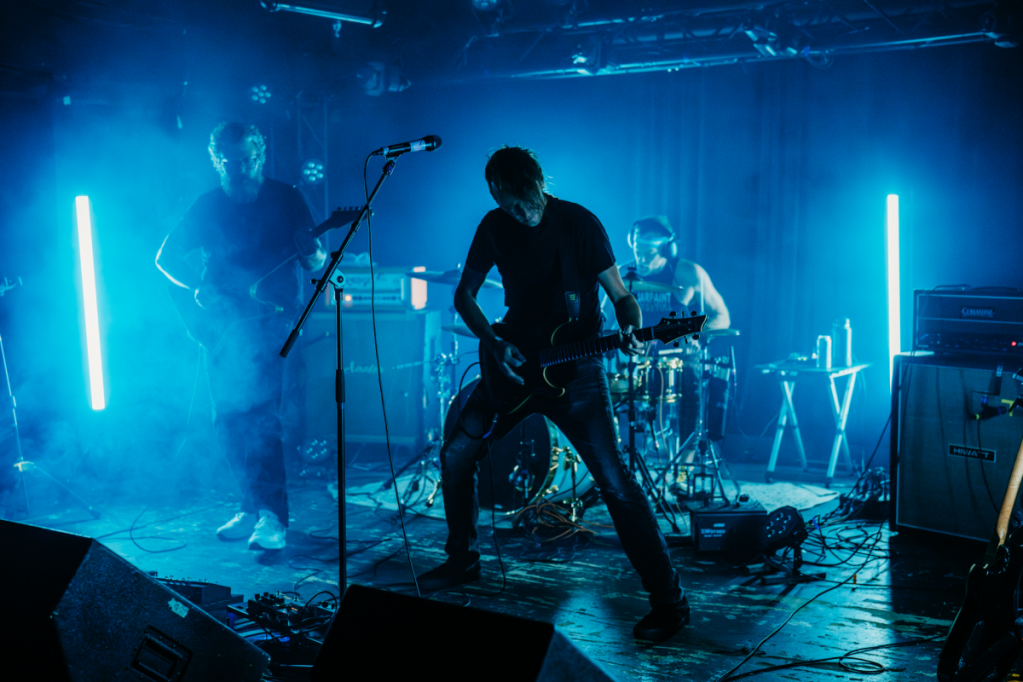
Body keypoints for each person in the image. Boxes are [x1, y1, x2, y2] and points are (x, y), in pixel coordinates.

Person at [417, 146, 689, 641]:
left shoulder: (579, 225)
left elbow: (622, 298)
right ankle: (462, 560)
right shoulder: (494, 226)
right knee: (456, 456)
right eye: (508, 205)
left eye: (525, 202)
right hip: (516, 365)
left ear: (540, 184)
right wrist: (493, 342)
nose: (520, 214)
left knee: (616, 483)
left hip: (576, 370)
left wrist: (631, 328)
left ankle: (669, 601)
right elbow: (464, 295)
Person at [155, 122, 326, 552]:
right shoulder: (207, 205)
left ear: (261, 155)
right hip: (223, 329)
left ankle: (273, 517)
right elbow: (164, 257)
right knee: (228, 421)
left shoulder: (287, 197)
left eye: (247, 160)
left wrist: (314, 252)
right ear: (217, 162)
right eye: (230, 162)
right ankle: (250, 505)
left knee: (263, 417)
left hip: (274, 323)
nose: (240, 169)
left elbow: (316, 264)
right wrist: (196, 286)